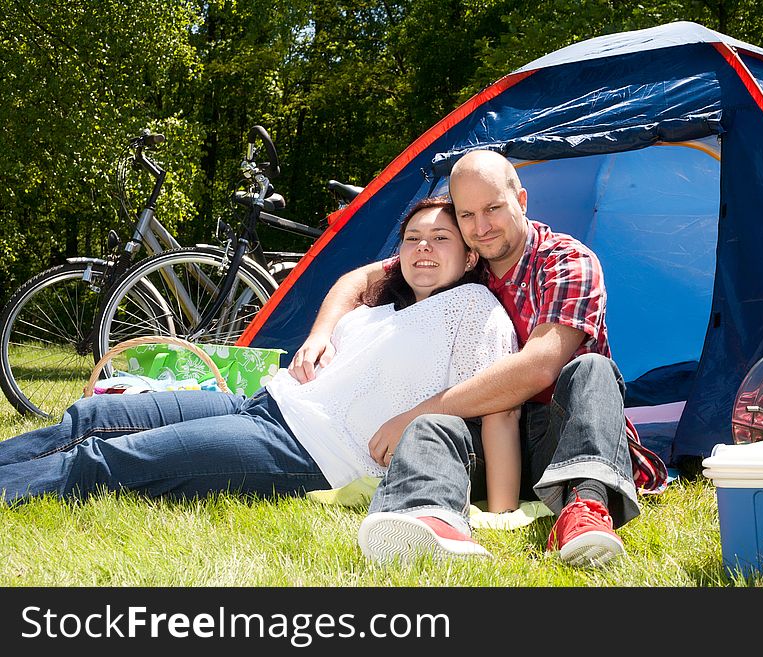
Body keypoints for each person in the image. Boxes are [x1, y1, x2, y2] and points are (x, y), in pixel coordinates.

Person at [0, 198, 521, 517]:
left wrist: (502, 508)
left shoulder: (474, 308)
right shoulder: (388, 303)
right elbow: (353, 281)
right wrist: (321, 336)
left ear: (471, 254)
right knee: (96, 415)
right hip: (261, 402)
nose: (423, 248)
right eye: (412, 239)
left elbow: (498, 403)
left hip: (307, 448)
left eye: (440, 239)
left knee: (109, 462)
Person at [293, 150, 663, 568]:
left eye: (493, 209)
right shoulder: (467, 260)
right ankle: (427, 517)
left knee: (591, 369)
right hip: (488, 436)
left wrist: (416, 410)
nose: (481, 227)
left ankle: (584, 509)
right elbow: (360, 278)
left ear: (521, 201)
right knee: (435, 425)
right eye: (467, 215)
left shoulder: (567, 262)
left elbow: (540, 365)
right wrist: (321, 333)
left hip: (560, 437)